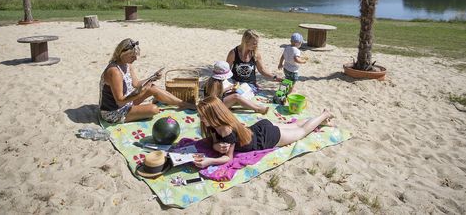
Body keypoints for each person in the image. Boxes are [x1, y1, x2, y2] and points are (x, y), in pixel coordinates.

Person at [192, 96, 333, 169]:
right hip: (259, 128)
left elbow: (228, 158)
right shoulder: (215, 124)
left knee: (301, 131)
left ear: (213, 115)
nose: (200, 119)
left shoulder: (226, 130)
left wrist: (209, 161)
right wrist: (215, 145)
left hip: (267, 138)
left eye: (202, 116)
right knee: (294, 125)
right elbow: (215, 140)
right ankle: (320, 121)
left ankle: (324, 115)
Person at [99, 38, 194, 123]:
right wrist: (141, 92)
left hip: (126, 103)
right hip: (114, 112)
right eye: (132, 56)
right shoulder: (114, 72)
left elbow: (136, 84)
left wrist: (152, 78)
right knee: (154, 109)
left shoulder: (127, 64)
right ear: (122, 54)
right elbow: (120, 101)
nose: (135, 58)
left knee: (152, 87)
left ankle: (183, 104)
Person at [204, 61, 269, 114]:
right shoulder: (214, 83)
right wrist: (227, 90)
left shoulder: (216, 80)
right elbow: (213, 98)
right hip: (213, 107)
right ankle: (257, 109)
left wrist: (229, 89)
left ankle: (256, 107)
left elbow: (219, 93)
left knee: (238, 95)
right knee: (236, 97)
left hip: (217, 101)